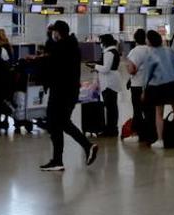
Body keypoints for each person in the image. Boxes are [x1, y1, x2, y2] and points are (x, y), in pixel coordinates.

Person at [37, 21, 97, 171]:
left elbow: (51, 54)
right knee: (60, 123)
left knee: (56, 123)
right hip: (70, 91)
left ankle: (79, 149)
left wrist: (48, 37)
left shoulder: (62, 47)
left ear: (57, 32)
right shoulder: (73, 45)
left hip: (60, 91)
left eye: (54, 32)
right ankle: (60, 158)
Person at [138, 30, 174, 149]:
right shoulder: (169, 50)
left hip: (158, 86)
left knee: (159, 113)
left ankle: (160, 140)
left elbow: (147, 74)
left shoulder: (150, 54)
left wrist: (144, 89)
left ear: (149, 40)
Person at [89, 33, 121, 138]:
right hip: (112, 80)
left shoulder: (108, 53)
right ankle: (112, 128)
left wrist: (96, 66)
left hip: (109, 82)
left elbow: (106, 68)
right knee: (112, 107)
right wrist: (96, 65)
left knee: (110, 107)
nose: (100, 44)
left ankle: (110, 129)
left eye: (101, 42)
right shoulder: (113, 51)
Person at [124, 28, 154, 143]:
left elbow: (132, 70)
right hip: (150, 85)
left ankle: (139, 134)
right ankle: (151, 133)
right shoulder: (151, 49)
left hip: (137, 85)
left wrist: (128, 68)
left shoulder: (135, 51)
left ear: (135, 39)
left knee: (138, 110)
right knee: (149, 111)